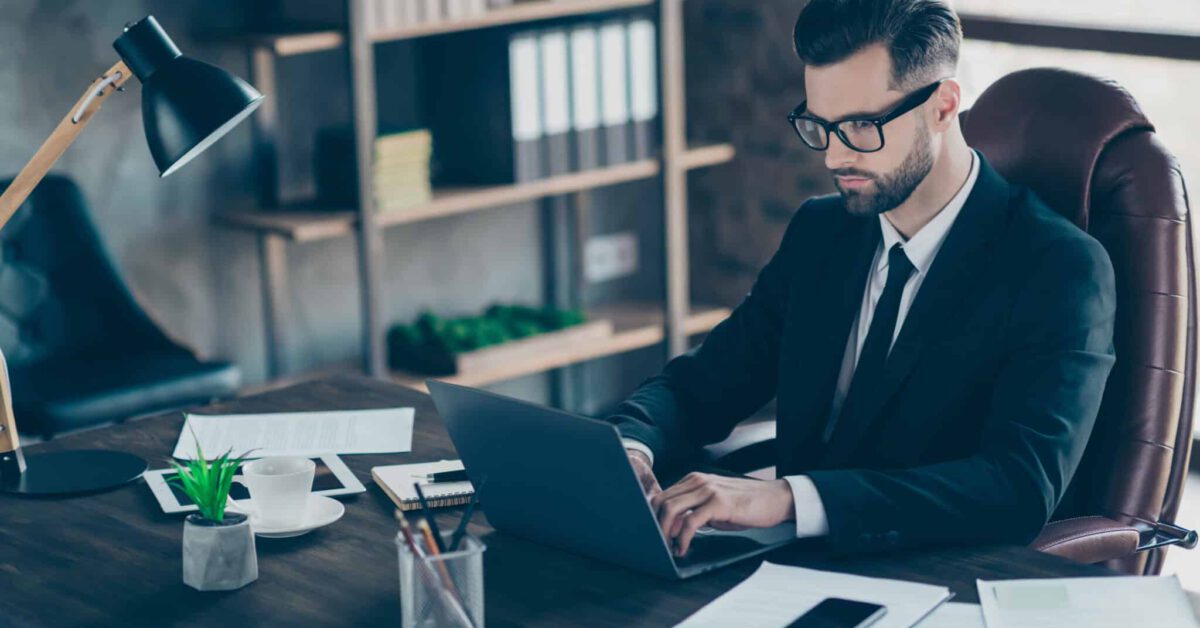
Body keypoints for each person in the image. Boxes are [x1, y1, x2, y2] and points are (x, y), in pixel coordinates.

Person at [607, 0, 1116, 558]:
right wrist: (631, 448)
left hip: (935, 577)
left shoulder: (1059, 268)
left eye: (861, 126)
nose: (834, 156)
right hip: (787, 571)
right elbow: (700, 386)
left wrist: (789, 499)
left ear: (943, 106)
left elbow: (1017, 488)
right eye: (820, 126)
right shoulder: (821, 234)